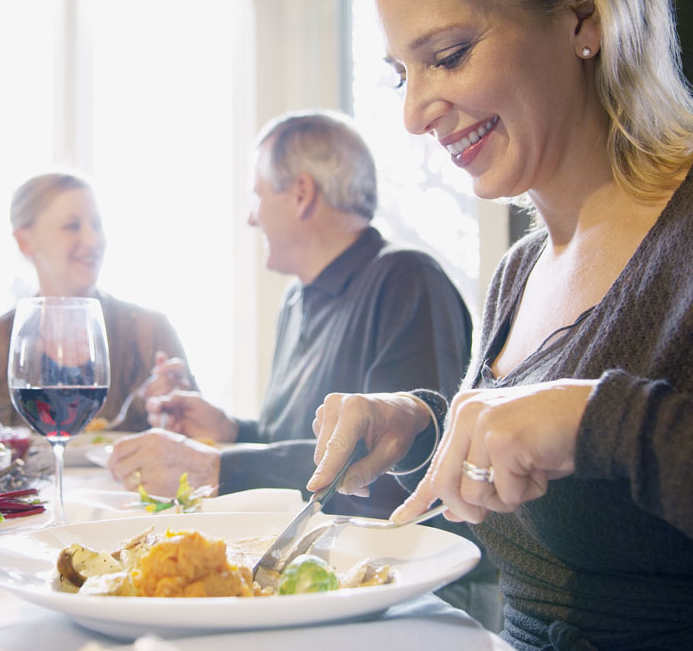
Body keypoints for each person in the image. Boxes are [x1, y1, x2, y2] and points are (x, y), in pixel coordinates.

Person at [307, 1, 693, 649]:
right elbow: (528, 477)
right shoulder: (519, 271)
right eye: (403, 74)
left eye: (448, 56)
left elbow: (593, 428)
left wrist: (596, 420)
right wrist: (420, 427)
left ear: (582, 21)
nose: (412, 115)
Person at [109, 111, 501, 630]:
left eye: (256, 196)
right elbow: (308, 446)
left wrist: (217, 467)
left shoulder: (408, 280)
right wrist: (230, 432)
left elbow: (392, 477)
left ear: (300, 194)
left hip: (409, 599)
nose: (251, 218)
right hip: (314, 586)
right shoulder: (296, 302)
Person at [0, 172, 194, 451]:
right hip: (33, 496)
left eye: (98, 225)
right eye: (72, 226)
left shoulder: (149, 330)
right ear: (25, 241)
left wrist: (179, 407)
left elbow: (199, 440)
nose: (94, 240)